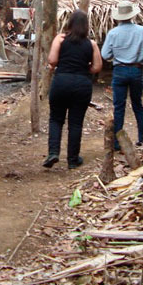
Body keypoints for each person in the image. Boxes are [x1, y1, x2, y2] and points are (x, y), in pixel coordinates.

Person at [42, 10, 102, 170]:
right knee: (76, 123)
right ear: (86, 26)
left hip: (61, 81)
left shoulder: (60, 39)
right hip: (82, 84)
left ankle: (53, 152)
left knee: (56, 119)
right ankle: (72, 159)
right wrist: (84, 69)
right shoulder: (92, 44)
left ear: (69, 23)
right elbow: (97, 67)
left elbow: (52, 60)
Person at [101, 0, 143, 148]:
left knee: (119, 107)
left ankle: (117, 142)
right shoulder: (142, 31)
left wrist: (117, 56)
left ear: (118, 17)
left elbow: (105, 54)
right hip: (137, 70)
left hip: (119, 71)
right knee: (138, 105)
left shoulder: (113, 33)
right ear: (132, 15)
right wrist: (141, 64)